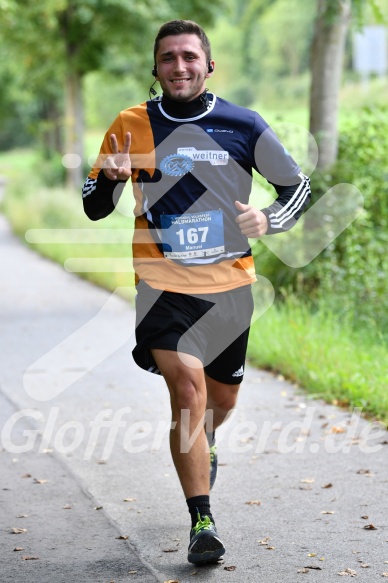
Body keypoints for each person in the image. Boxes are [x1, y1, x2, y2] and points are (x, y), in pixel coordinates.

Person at [82, 19, 311, 565]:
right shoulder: (130, 125)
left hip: (230, 286)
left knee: (219, 400)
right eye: (168, 58)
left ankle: (205, 445)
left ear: (209, 65)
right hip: (161, 286)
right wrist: (112, 179)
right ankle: (201, 520)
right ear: (155, 67)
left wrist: (269, 218)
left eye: (189, 56)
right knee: (187, 391)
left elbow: (296, 187)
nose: (179, 67)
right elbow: (94, 205)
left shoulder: (242, 124)